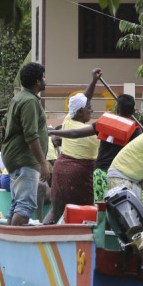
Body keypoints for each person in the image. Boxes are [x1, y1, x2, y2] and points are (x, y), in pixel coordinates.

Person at [49, 93, 143, 202]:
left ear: (117, 110)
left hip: (100, 174)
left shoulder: (105, 123)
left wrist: (52, 131)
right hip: (120, 177)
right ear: (133, 111)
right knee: (118, 210)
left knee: (100, 210)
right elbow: (141, 158)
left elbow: (75, 133)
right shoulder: (136, 132)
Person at [42, 69, 102, 224]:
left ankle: (42, 238)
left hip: (61, 171)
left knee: (55, 212)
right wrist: (54, 132)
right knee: (86, 213)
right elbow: (75, 133)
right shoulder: (89, 131)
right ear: (81, 112)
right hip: (80, 175)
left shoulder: (69, 118)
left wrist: (94, 81)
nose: (92, 110)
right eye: (89, 108)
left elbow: (84, 99)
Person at [1, 62, 50, 226]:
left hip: (16, 158)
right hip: (25, 160)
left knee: (16, 204)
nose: (45, 79)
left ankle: (8, 238)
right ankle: (15, 243)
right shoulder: (29, 101)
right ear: (37, 81)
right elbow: (31, 135)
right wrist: (43, 163)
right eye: (43, 76)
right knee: (26, 206)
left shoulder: (19, 98)